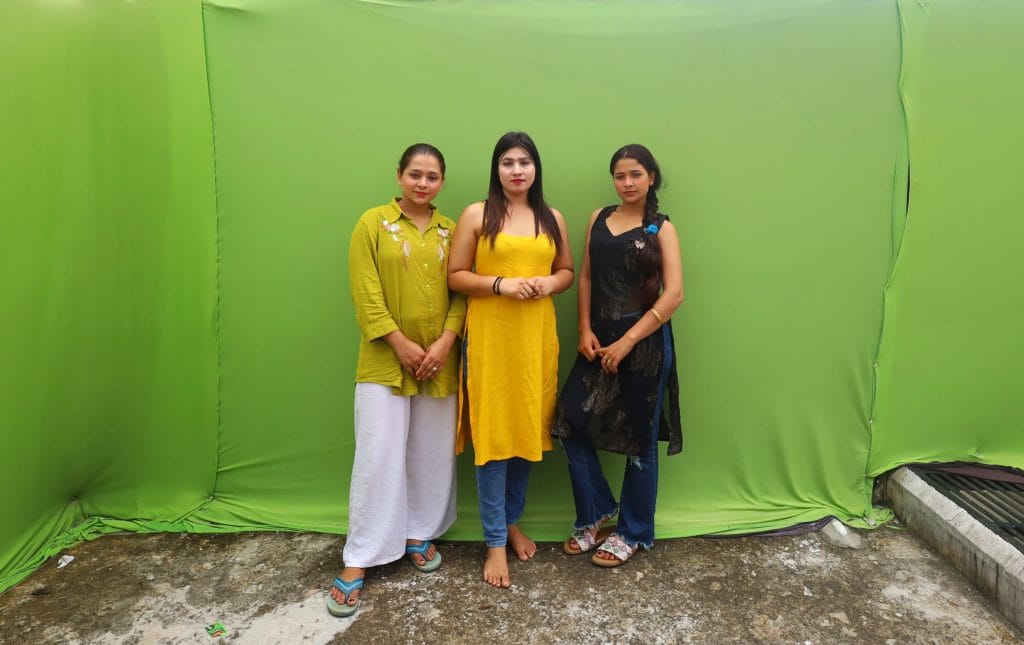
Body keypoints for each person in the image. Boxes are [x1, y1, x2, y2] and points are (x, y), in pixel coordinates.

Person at [328, 143, 465, 617]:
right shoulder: (373, 223)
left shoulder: (452, 230)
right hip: (386, 360)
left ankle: (418, 533)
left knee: (429, 453)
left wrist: (446, 342)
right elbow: (364, 290)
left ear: (442, 182)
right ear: (399, 176)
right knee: (378, 454)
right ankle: (360, 556)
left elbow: (463, 290)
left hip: (440, 360)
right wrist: (401, 344)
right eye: (414, 174)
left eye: (431, 176)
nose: (422, 183)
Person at [447, 131, 574, 588]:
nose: (516, 170)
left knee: (527, 431)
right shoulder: (477, 215)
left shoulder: (552, 217)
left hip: (536, 340)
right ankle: (495, 542)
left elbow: (566, 272)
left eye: (524, 162)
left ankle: (513, 519)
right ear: (496, 169)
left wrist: (549, 285)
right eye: (507, 162)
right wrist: (500, 284)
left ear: (536, 168)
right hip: (491, 340)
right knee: (494, 434)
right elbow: (457, 275)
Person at [551, 143, 684, 567]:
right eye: (620, 175)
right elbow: (586, 276)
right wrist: (584, 329)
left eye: (636, 175)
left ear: (651, 179)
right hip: (598, 339)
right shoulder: (597, 219)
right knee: (570, 420)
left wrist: (627, 342)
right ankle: (596, 512)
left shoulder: (662, 229)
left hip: (644, 346)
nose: (627, 183)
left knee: (639, 439)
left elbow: (674, 294)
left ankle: (633, 531)